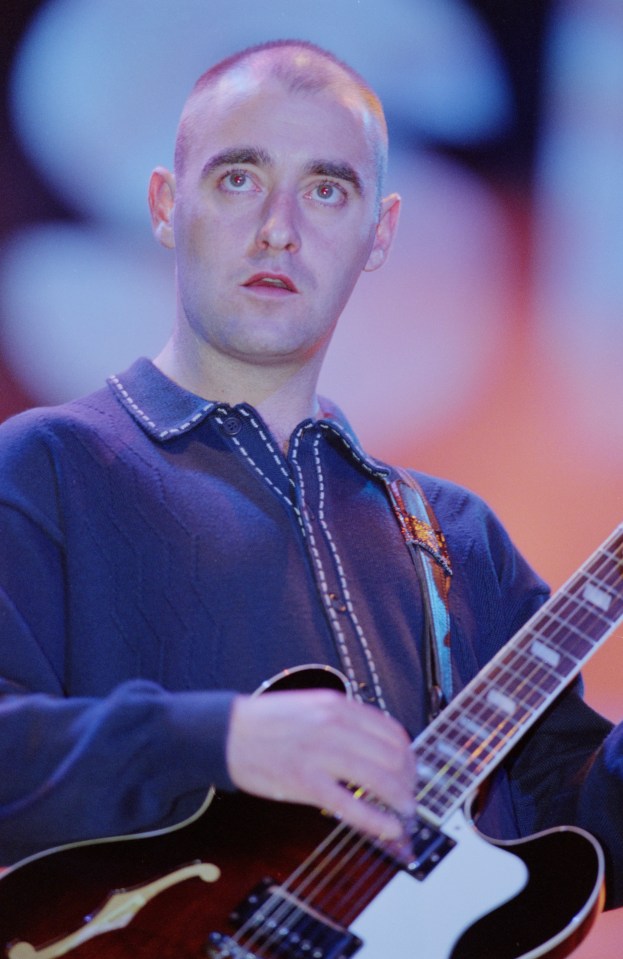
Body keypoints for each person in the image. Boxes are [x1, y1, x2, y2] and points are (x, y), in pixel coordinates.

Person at [0, 38, 622, 919]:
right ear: (165, 206)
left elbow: (580, 834)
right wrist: (221, 742)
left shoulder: (455, 534)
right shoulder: (45, 465)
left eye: (327, 189)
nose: (279, 228)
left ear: (381, 233)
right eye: (238, 179)